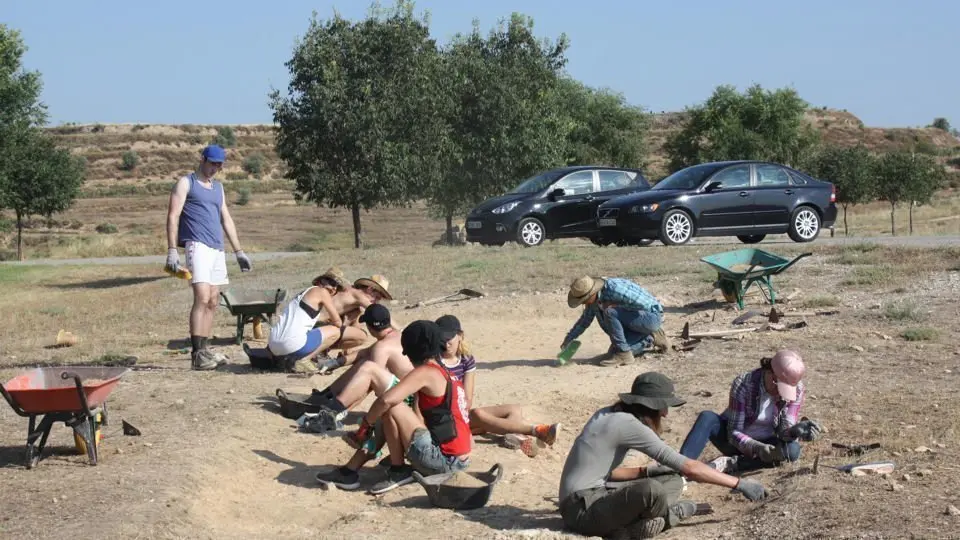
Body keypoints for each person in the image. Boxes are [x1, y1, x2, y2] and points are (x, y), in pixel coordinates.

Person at [558, 372, 769, 539]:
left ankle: (628, 528)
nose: (666, 414)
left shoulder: (607, 413)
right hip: (581, 513)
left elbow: (606, 472)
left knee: (672, 480)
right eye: (664, 407)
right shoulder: (628, 425)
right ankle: (667, 517)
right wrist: (739, 484)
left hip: (593, 498)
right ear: (652, 406)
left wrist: (647, 471)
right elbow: (689, 468)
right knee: (652, 490)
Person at [341, 320, 472, 495]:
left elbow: (387, 401)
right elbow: (419, 418)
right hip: (459, 459)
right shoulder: (444, 372)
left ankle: (398, 471)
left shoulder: (426, 372)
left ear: (409, 352)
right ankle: (381, 465)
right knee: (393, 408)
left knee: (389, 405)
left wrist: (365, 427)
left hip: (444, 462)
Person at [164, 144, 253, 370]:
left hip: (216, 248)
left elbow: (226, 219)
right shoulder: (186, 183)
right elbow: (173, 216)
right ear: (202, 159)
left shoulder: (218, 188)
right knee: (202, 298)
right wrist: (172, 249)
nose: (215, 168)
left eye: (219, 165)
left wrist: (238, 251)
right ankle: (196, 355)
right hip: (197, 245)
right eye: (212, 163)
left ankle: (204, 350)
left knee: (213, 301)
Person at [435, 314, 560, 458]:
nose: (446, 344)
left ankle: (515, 436)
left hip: (462, 411)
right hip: (447, 417)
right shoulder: (436, 362)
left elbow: (467, 400)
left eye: (449, 338)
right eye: (441, 339)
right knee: (478, 414)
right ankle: (537, 430)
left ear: (460, 336)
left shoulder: (466, 359)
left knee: (513, 409)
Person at [678, 349, 823, 474]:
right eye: (780, 388)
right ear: (771, 376)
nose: (781, 393)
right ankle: (679, 468)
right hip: (735, 442)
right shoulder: (744, 384)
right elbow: (733, 433)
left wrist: (794, 431)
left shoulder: (797, 389)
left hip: (769, 444)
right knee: (707, 418)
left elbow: (784, 430)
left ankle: (734, 463)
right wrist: (757, 448)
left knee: (792, 451)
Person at [311, 303, 415, 431]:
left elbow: (370, 384)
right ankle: (326, 395)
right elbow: (363, 353)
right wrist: (336, 362)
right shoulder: (396, 336)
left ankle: (334, 411)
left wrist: (346, 409)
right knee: (365, 362)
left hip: (410, 401)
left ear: (370, 328)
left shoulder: (382, 347)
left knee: (368, 369)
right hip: (413, 393)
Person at [243, 268, 347, 372]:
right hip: (291, 344)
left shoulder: (303, 294)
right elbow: (338, 323)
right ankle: (305, 360)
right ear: (321, 282)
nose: (334, 288)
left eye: (337, 287)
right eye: (332, 283)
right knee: (335, 331)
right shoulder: (322, 291)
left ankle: (284, 360)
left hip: (272, 345)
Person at [561, 275, 670, 367]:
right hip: (636, 323)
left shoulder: (614, 288)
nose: (584, 303)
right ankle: (651, 337)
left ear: (592, 293)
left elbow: (644, 305)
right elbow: (584, 322)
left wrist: (617, 306)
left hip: (651, 318)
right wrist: (568, 340)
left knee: (610, 312)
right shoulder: (593, 302)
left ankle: (624, 353)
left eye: (584, 300)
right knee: (612, 354)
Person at [315, 275, 394, 375]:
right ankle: (318, 352)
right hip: (316, 325)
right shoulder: (357, 294)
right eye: (377, 297)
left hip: (320, 328)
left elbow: (354, 325)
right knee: (361, 336)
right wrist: (399, 331)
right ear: (370, 289)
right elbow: (378, 313)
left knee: (357, 319)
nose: (376, 301)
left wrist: (347, 354)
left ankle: (321, 353)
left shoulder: (355, 306)